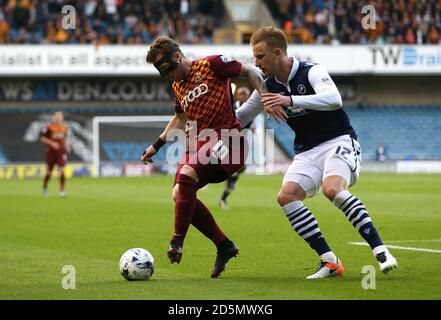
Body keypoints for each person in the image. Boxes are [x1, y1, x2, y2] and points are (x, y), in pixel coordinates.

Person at [236, 26, 397, 279]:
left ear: (277, 53)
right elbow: (241, 116)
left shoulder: (312, 71)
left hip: (338, 140)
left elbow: (334, 99)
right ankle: (330, 262)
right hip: (307, 151)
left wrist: (289, 101)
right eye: (254, 57)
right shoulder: (266, 87)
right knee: (286, 197)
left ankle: (381, 250)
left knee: (332, 189)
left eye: (260, 56)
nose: (256, 63)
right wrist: (207, 117)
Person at [141, 36, 266, 278]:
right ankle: (224, 245)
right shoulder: (177, 87)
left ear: (177, 57)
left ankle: (176, 242)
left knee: (187, 174)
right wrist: (157, 145)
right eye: (163, 74)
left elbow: (249, 71)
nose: (169, 77)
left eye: (169, 70)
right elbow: (180, 118)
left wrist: (267, 96)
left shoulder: (212, 65)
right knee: (178, 193)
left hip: (229, 139)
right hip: (202, 142)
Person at [218, 86, 255, 210]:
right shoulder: (231, 107)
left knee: (241, 167)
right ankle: (228, 176)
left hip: (240, 142)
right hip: (226, 139)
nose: (244, 96)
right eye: (242, 94)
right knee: (217, 162)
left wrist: (253, 128)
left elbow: (251, 124)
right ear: (237, 96)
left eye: (246, 95)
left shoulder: (251, 110)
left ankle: (225, 194)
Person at [40, 111, 70, 197]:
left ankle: (62, 191)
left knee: (62, 170)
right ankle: (44, 187)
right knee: (49, 172)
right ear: (54, 117)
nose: (58, 118)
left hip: (61, 151)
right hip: (51, 152)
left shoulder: (65, 127)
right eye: (57, 116)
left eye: (60, 116)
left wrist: (67, 145)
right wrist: (52, 143)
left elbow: (64, 138)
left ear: (62, 118)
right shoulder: (49, 127)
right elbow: (42, 138)